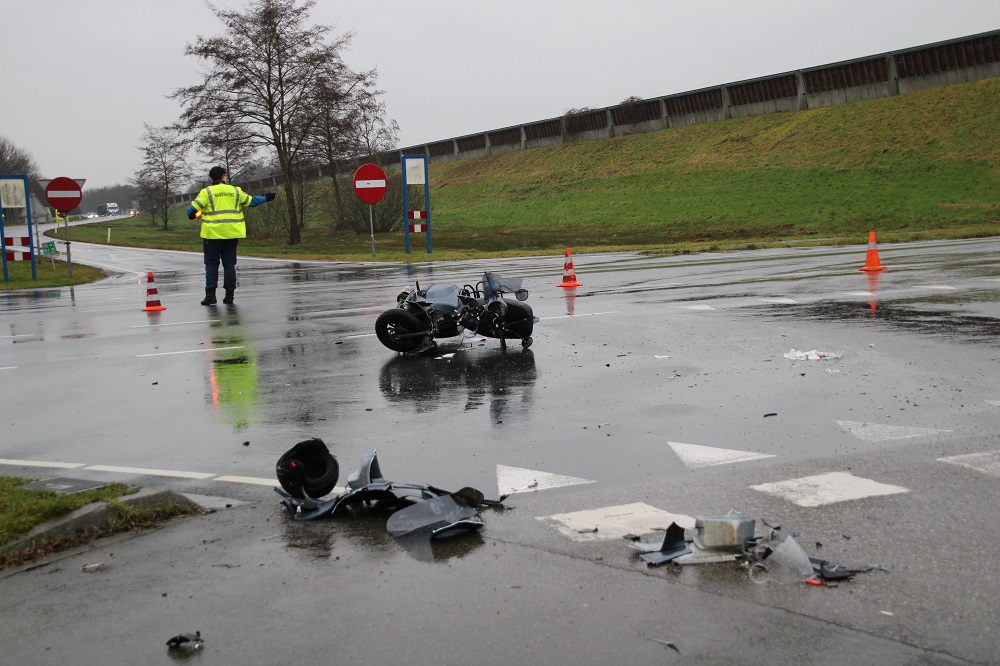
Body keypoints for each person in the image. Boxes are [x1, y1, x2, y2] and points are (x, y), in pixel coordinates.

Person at [187, 166, 275, 305]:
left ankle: (210, 295)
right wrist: (266, 198)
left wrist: (193, 214)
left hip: (212, 235)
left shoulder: (207, 192)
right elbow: (252, 202)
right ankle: (229, 295)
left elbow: (191, 210)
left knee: (211, 265)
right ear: (223, 176)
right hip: (232, 234)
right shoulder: (235, 191)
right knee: (229, 265)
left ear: (212, 177)